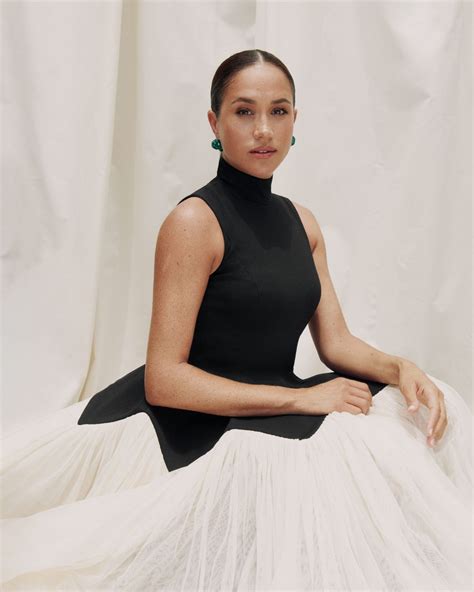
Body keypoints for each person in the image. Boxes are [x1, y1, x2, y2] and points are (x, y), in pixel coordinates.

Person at [1, 49, 471, 591]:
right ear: (214, 123)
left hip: (269, 406)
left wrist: (401, 367)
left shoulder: (303, 222)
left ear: (295, 121)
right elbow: (165, 378)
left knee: (417, 407)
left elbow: (336, 342)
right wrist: (299, 399)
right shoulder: (193, 221)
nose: (263, 129)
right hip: (192, 420)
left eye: (279, 111)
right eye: (244, 112)